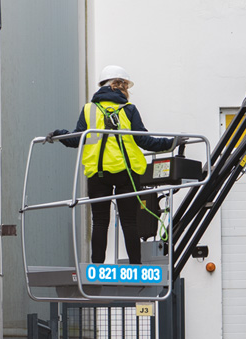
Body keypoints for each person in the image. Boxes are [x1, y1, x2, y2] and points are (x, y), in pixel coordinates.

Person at [48, 65, 175, 265]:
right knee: (130, 222)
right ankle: (136, 266)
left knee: (99, 222)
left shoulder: (89, 109)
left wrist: (59, 134)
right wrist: (170, 143)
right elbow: (144, 141)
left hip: (98, 174)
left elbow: (76, 139)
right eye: (125, 85)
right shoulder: (129, 110)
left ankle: (97, 266)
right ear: (120, 85)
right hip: (126, 173)